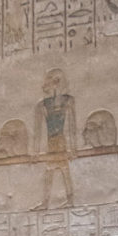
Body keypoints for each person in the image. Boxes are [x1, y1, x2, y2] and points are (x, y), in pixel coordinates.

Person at [34, 68, 77, 210]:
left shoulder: (68, 101)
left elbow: (72, 127)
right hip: (51, 142)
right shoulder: (42, 105)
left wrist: (73, 148)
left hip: (60, 141)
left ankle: (69, 200)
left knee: (63, 170)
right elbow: (38, 131)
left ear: (57, 83)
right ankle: (46, 202)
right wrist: (36, 151)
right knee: (50, 171)